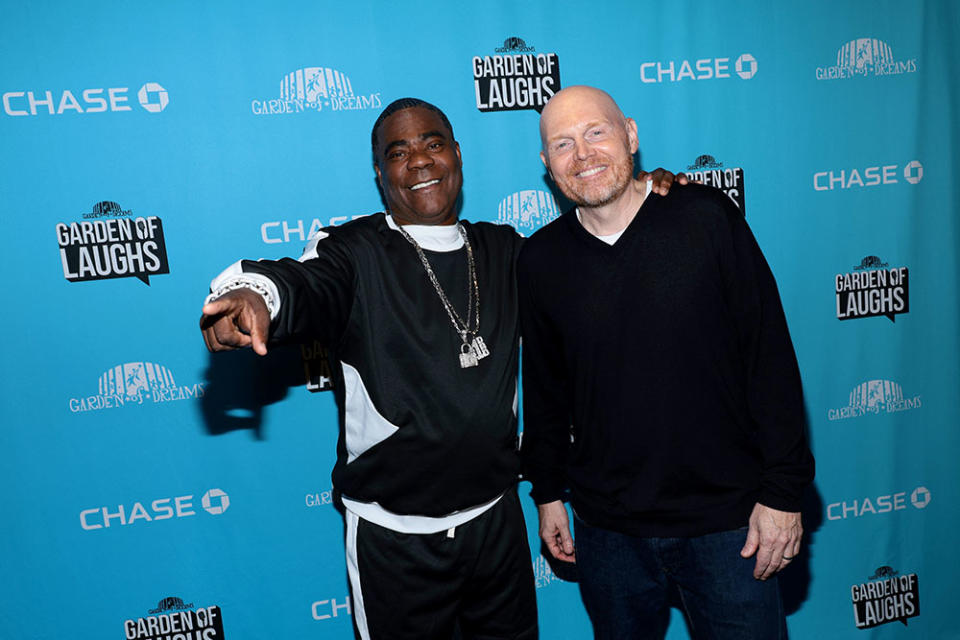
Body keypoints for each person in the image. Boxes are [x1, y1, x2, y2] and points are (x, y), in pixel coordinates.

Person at [199, 97, 682, 640]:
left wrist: (642, 196)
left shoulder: (503, 248)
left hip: (496, 525)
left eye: (432, 143)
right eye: (398, 152)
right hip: (394, 542)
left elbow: (588, 256)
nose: (420, 160)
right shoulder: (354, 251)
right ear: (380, 175)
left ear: (456, 154)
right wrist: (253, 295)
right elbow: (300, 283)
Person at [518, 86, 815, 639]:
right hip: (608, 532)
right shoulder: (539, 261)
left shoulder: (705, 218)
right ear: (546, 164)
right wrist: (548, 491)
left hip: (729, 525)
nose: (582, 154)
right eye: (562, 144)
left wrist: (782, 492)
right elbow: (547, 387)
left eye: (595, 132)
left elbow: (768, 357)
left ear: (630, 134)